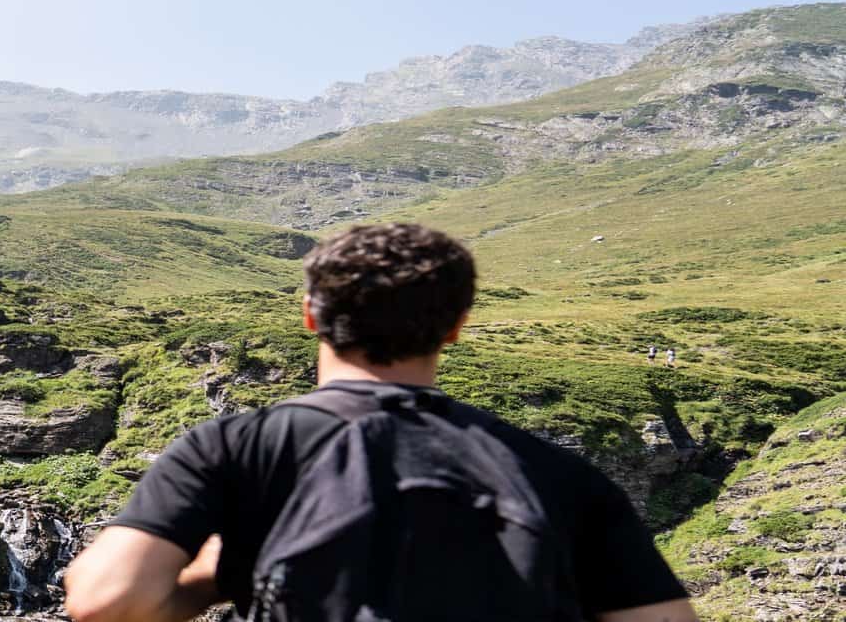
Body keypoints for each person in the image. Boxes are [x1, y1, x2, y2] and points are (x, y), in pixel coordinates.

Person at [64, 223, 695, 622]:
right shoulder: (556, 471)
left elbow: (106, 600)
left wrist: (212, 576)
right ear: (456, 326)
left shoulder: (233, 446)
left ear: (310, 317)